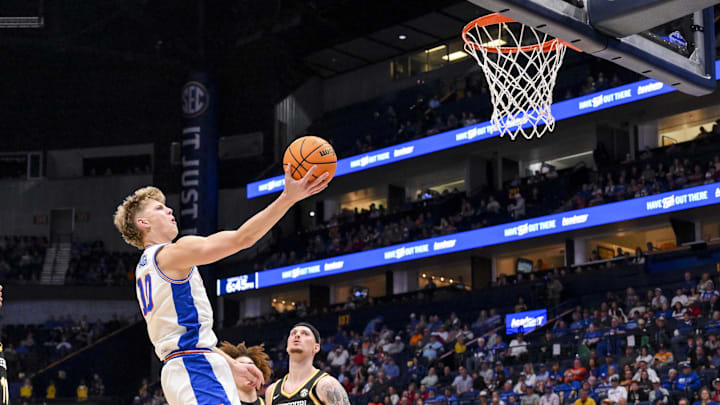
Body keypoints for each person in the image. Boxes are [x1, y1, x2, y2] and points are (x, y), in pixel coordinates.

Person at [113, 166, 330, 405]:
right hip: (195, 367)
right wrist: (287, 198)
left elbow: (186, 336)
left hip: (185, 365)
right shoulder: (171, 255)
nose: (169, 210)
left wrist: (232, 364)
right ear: (143, 222)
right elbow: (242, 239)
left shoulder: (145, 267)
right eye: (159, 208)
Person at [266, 323, 350, 405]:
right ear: (287, 347)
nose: (297, 335)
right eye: (293, 333)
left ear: (316, 347)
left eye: (305, 334)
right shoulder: (272, 391)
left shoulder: (326, 384)